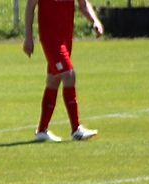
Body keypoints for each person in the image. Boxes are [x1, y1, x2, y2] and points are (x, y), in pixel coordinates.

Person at [23, 0, 104, 142]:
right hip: (50, 38)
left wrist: (95, 21)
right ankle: (76, 129)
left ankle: (42, 130)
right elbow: (30, 6)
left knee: (54, 80)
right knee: (69, 75)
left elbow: (83, 4)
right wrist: (28, 37)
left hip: (66, 37)